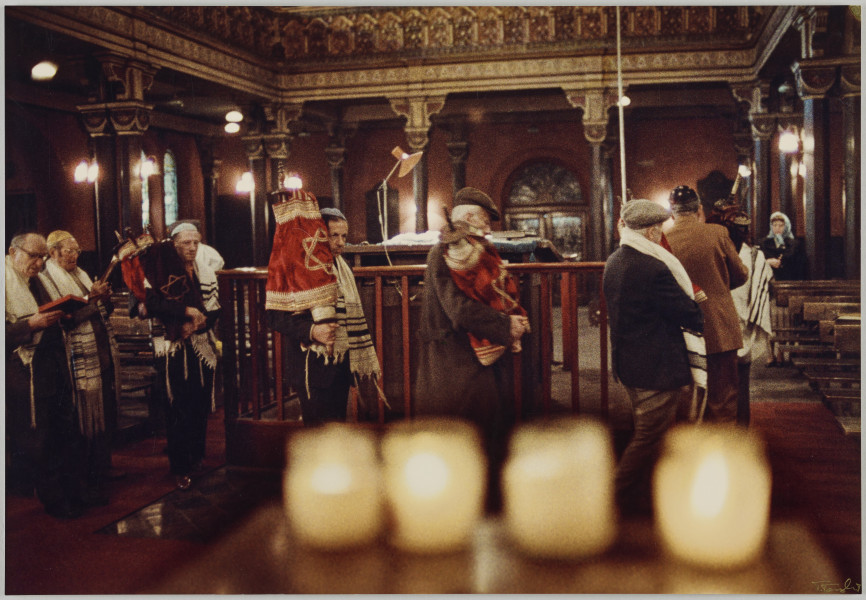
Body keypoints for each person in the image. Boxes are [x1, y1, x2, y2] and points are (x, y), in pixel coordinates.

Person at [414, 187, 529, 512]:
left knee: (482, 441)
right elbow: (459, 310)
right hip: (456, 367)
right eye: (484, 220)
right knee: (468, 445)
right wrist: (505, 326)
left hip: (471, 364)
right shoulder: (446, 252)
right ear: (466, 218)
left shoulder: (474, 251)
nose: (489, 228)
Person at [604, 200, 705, 515]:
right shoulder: (654, 268)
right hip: (655, 367)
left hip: (629, 363)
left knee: (646, 432)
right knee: (649, 437)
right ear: (650, 231)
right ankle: (612, 497)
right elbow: (687, 312)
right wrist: (696, 305)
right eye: (659, 230)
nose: (661, 236)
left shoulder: (615, 260)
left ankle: (641, 498)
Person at [266, 207, 383, 425]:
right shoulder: (299, 265)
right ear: (319, 234)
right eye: (333, 235)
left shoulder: (343, 266)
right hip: (311, 366)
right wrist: (312, 330)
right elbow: (275, 316)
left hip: (339, 364)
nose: (340, 242)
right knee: (316, 434)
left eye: (344, 236)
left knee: (335, 432)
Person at [6, 233, 89, 518]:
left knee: (65, 432)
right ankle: (54, 500)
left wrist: (64, 314)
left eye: (42, 257)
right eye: (34, 256)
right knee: (40, 440)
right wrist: (30, 325)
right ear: (13, 252)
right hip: (25, 374)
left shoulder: (38, 280)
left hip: (55, 367)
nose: (40, 263)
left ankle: (73, 492)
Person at [41, 230, 123, 504]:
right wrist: (94, 300)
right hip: (77, 355)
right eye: (69, 250)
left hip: (100, 350)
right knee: (84, 417)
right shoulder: (47, 278)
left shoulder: (81, 273)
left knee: (104, 410)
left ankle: (102, 467)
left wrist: (104, 300)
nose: (75, 255)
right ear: (53, 253)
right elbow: (66, 320)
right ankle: (88, 475)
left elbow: (100, 311)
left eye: (77, 250)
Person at [142, 222, 220, 490]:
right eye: (186, 243)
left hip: (200, 345)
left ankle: (197, 457)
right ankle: (180, 466)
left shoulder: (205, 271)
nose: (192, 247)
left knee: (199, 404)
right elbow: (152, 303)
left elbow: (214, 310)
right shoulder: (159, 270)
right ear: (174, 245)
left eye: (196, 242)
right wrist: (185, 313)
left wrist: (197, 325)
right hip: (172, 348)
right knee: (177, 407)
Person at [664, 185, 748, 424]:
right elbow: (741, 274)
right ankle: (722, 443)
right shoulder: (718, 233)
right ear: (699, 209)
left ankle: (688, 443)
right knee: (723, 398)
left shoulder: (662, 239)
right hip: (719, 326)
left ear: (672, 212)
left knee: (686, 398)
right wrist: (720, 284)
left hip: (679, 329)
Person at [760, 211, 803, 280]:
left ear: (786, 227)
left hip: (789, 279)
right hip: (769, 279)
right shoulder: (763, 243)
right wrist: (767, 262)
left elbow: (800, 266)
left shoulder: (795, 244)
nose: (777, 228)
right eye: (775, 225)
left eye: (781, 225)